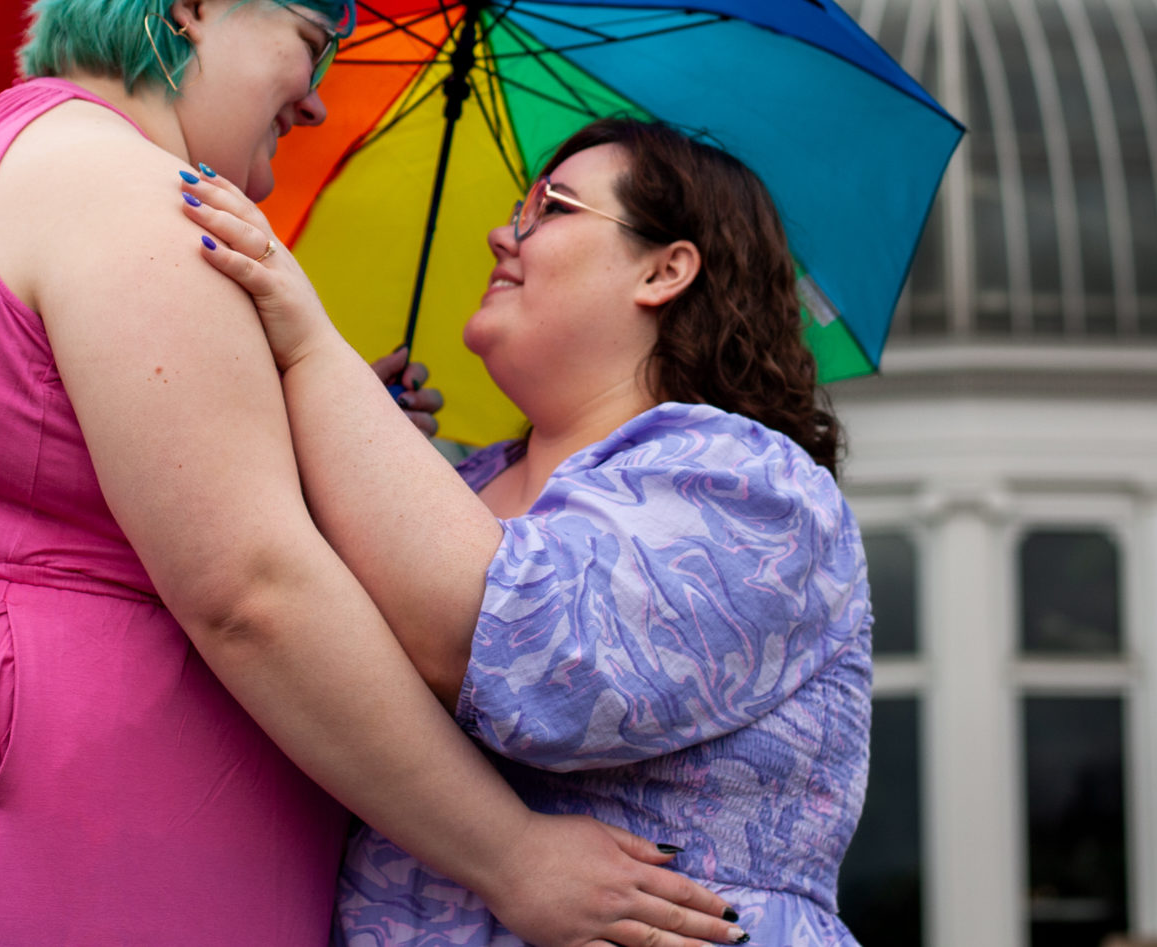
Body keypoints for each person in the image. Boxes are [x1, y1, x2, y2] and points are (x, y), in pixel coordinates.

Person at [0, 0, 741, 947]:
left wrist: (314, 427)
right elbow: (250, 587)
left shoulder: (8, 158)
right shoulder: (129, 190)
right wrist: (511, 858)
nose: (317, 97)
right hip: (54, 826)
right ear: (195, 5)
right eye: (313, 41)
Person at [185, 117, 876, 947]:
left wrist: (314, 358)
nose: (500, 234)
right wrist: (339, 454)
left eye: (549, 207)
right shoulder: (458, 482)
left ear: (666, 268)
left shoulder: (753, 486)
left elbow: (527, 655)